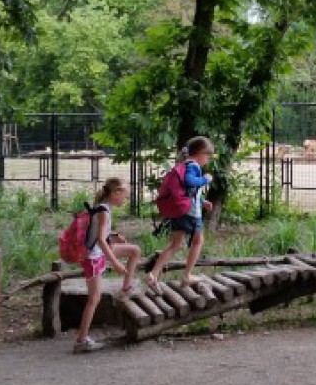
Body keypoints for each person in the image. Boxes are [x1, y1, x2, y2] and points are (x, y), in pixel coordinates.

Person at [74, 177, 142, 354]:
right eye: (124, 197)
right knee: (94, 299)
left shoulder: (103, 206)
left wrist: (115, 235)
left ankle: (126, 287)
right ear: (115, 193)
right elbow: (101, 241)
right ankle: (81, 340)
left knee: (134, 251)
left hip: (96, 253)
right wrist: (116, 263)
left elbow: (100, 233)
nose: (125, 201)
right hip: (93, 257)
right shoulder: (104, 210)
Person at [146, 137, 214, 293]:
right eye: (208, 156)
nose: (208, 160)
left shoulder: (184, 165)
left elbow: (188, 190)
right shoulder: (193, 166)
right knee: (198, 241)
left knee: (174, 245)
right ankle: (187, 276)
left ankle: (153, 274)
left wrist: (202, 201)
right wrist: (205, 179)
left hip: (181, 211)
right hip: (191, 213)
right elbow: (190, 182)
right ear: (199, 153)